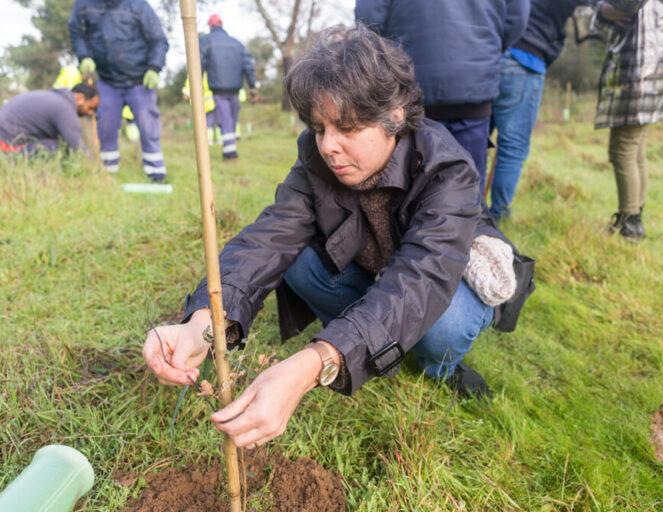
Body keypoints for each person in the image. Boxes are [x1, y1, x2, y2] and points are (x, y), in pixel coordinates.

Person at [143, 26, 527, 449]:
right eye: (319, 126)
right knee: (299, 265)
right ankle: (368, 346)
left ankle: (439, 368)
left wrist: (313, 362)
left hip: (432, 279)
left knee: (445, 325)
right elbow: (269, 238)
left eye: (347, 127)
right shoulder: (316, 155)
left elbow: (420, 280)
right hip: (372, 269)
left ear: (394, 115)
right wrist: (204, 323)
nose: (329, 146)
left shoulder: (446, 169)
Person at [356, 0, 530, 193]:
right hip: (471, 83)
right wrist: (486, 50)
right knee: (467, 185)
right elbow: (517, 18)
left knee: (407, 188)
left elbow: (369, 16)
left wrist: (390, 57)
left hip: (410, 82)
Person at [489, 0, 596, 220]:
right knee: (513, 147)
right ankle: (498, 217)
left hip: (487, 54)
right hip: (524, 57)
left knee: (474, 138)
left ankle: (462, 213)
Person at [593, 0, 663, 240]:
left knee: (623, 151)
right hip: (653, 73)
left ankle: (629, 223)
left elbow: (625, 5)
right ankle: (634, 216)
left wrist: (602, 10)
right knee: (636, 149)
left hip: (638, 72)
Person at [68, 0, 170, 182]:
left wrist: (154, 67)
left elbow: (158, 40)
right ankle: (109, 174)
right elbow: (77, 33)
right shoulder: (84, 5)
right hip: (107, 81)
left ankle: (156, 174)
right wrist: (84, 56)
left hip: (140, 80)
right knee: (106, 126)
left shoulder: (139, 6)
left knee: (148, 126)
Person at [199, 14, 257, 161]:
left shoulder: (205, 42)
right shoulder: (237, 44)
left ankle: (230, 152)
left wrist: (197, 85)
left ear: (211, 26)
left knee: (225, 120)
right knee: (230, 119)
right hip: (235, 89)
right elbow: (248, 66)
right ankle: (229, 150)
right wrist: (252, 86)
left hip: (218, 89)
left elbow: (198, 65)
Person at [0, 84, 99, 155]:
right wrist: (94, 167)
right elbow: (76, 146)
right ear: (80, 98)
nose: (90, 113)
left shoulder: (52, 97)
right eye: (91, 107)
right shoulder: (65, 108)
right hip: (3, 147)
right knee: (60, 147)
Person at [182, 72, 219, 145]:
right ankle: (211, 140)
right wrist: (186, 92)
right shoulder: (200, 70)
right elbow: (189, 82)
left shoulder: (200, 69)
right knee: (210, 122)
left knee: (213, 121)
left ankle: (212, 140)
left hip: (210, 101)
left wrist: (186, 92)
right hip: (207, 102)